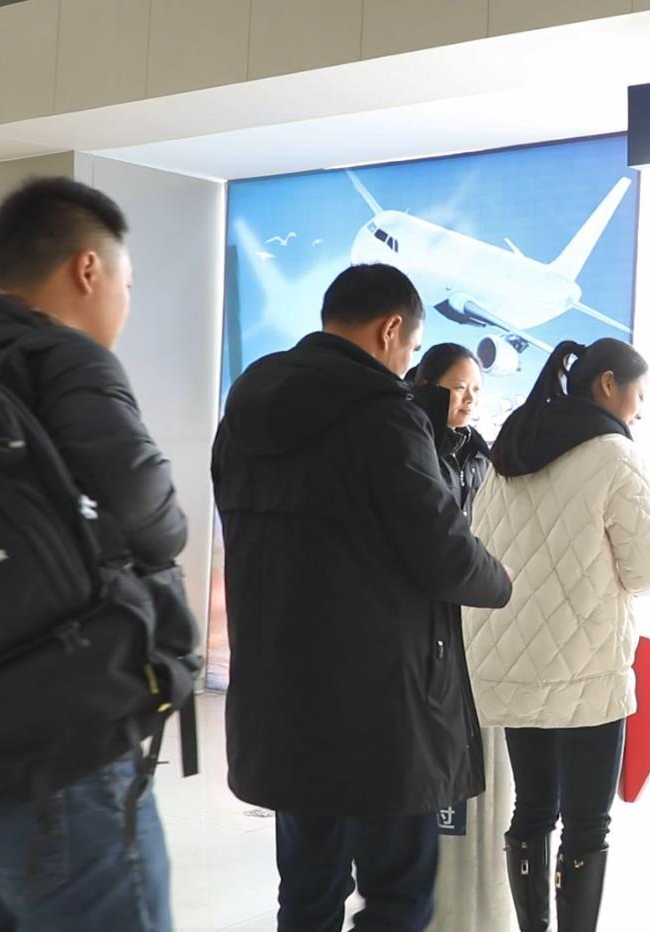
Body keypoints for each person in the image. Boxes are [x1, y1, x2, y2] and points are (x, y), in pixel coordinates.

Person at [211, 263, 514, 932]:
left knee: (307, 891)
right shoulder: (383, 415)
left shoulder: (248, 404)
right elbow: (441, 549)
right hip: (382, 708)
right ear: (391, 329)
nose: (406, 363)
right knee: (399, 895)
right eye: (411, 348)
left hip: (280, 694)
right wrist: (499, 579)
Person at [0, 177, 186, 930]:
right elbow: (151, 520)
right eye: (127, 284)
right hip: (58, 738)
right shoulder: (62, 356)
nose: (125, 304)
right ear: (87, 269)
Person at [460, 339, 650, 932]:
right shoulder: (613, 453)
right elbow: (649, 570)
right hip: (584, 666)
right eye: (639, 394)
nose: (640, 409)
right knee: (586, 824)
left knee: (531, 809)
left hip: (510, 656)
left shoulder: (513, 442)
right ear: (609, 385)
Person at [406, 342, 492, 517]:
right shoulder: (409, 444)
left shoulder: (479, 455)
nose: (470, 398)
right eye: (460, 387)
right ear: (426, 386)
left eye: (476, 389)